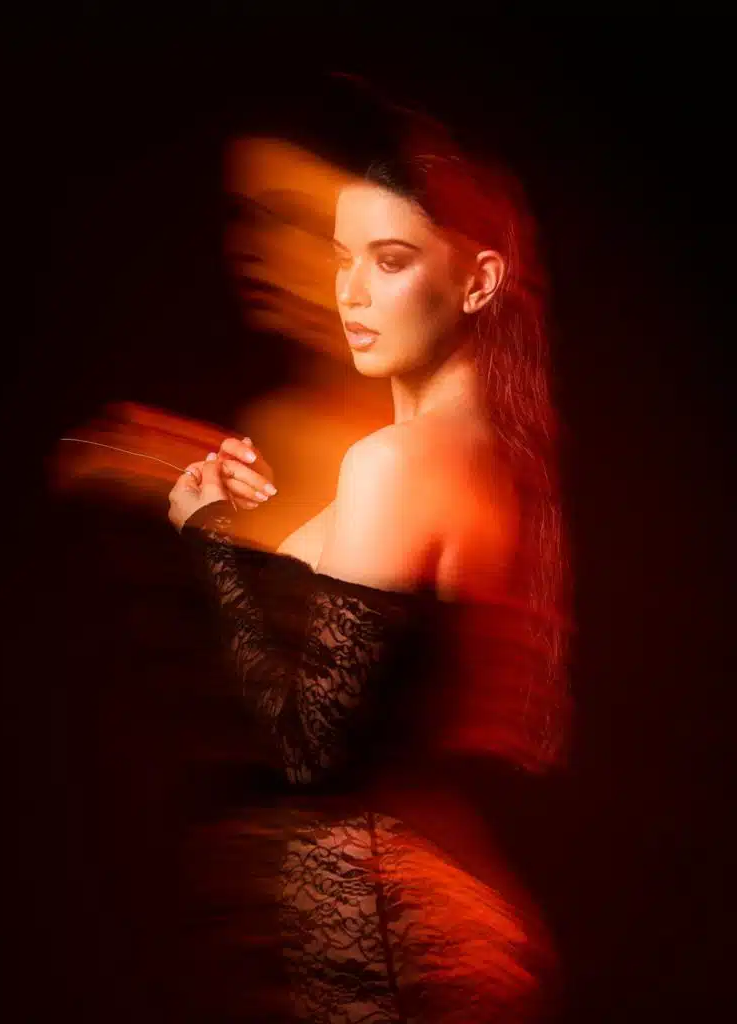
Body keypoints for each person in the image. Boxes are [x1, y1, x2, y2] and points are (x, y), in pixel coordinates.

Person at [168, 120, 570, 1023]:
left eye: (389, 261)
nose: (349, 291)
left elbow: (309, 758)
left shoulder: (393, 463)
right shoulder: (475, 458)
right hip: (405, 927)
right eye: (341, 257)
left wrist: (206, 541)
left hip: (380, 947)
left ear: (479, 281)